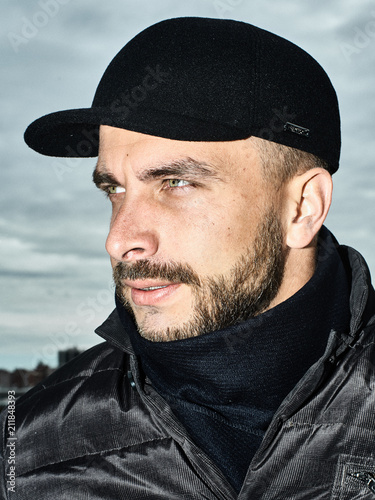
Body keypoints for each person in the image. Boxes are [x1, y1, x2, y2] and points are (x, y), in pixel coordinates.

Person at [1, 16, 374, 500]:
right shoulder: (28, 450)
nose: (119, 240)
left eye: (176, 184)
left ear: (302, 207)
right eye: (114, 189)